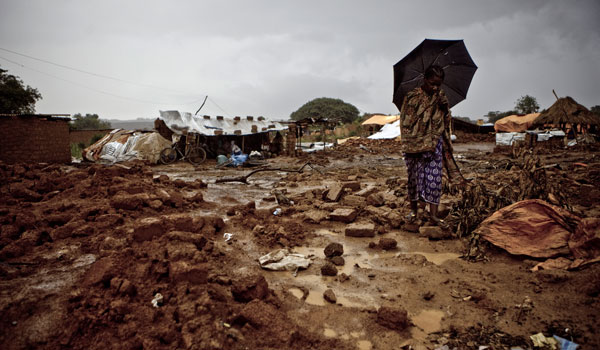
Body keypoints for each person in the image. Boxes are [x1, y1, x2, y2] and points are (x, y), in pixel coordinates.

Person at [399, 65, 451, 225]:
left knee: (435, 180)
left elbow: (446, 120)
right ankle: (414, 211)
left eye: (438, 84)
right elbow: (405, 121)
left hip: (434, 144)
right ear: (425, 79)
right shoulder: (412, 96)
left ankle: (433, 215)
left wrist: (444, 109)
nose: (435, 87)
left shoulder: (441, 97)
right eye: (432, 83)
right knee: (414, 180)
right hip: (414, 147)